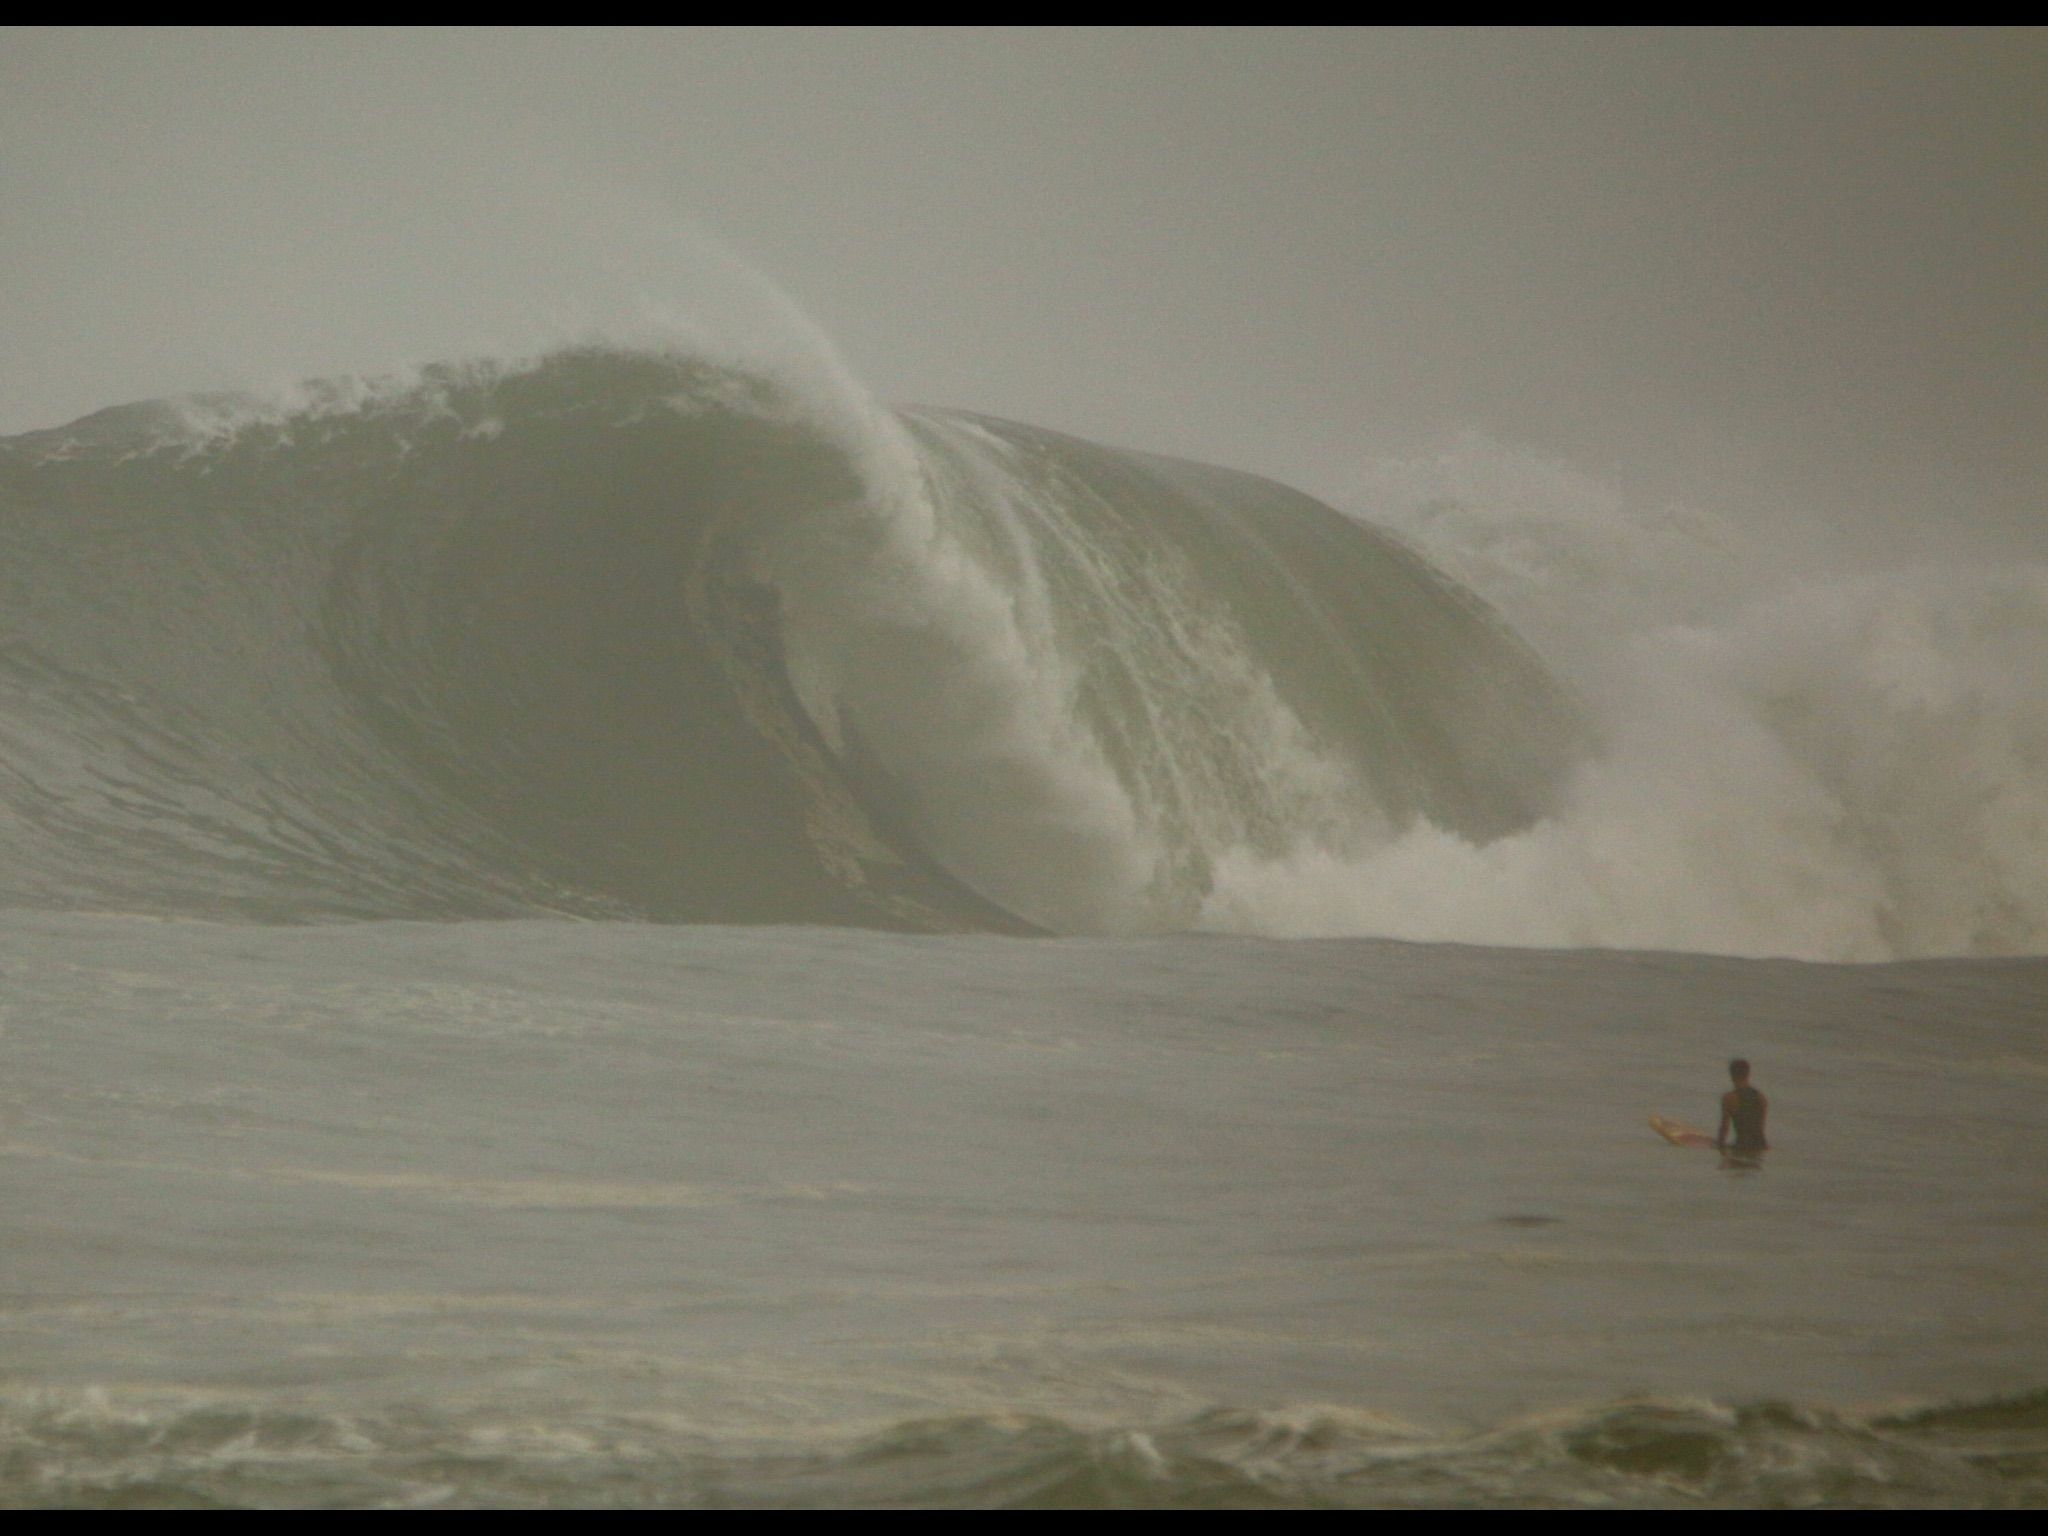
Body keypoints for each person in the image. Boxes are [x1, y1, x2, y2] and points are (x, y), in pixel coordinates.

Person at [1716, 1058, 1769, 1156]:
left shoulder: (1729, 1098)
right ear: (1748, 1074)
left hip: (1741, 1146)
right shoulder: (1762, 1098)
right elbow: (1761, 1128)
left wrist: (1718, 1146)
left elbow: (1724, 1128)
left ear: (1731, 1075)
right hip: (1762, 1146)